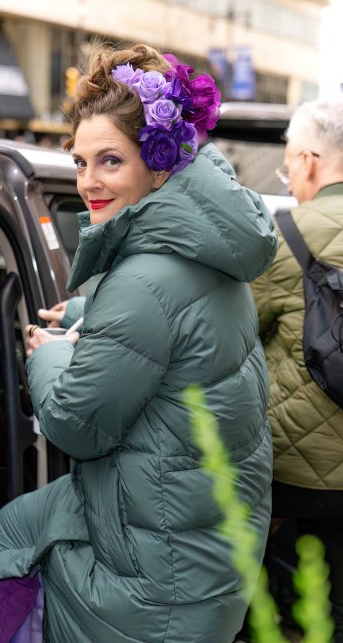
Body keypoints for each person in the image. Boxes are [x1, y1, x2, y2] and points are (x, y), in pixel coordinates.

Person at [0, 43, 277, 643]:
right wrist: (90, 312)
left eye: (110, 161)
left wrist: (48, 353)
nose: (88, 182)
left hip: (146, 591)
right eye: (81, 162)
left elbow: (73, 424)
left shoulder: (143, 282)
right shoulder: (207, 254)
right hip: (200, 559)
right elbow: (180, 323)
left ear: (159, 162)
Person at [250, 100, 343, 641]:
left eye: (288, 169)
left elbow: (235, 334)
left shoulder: (285, 236)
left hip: (292, 479)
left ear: (308, 161)